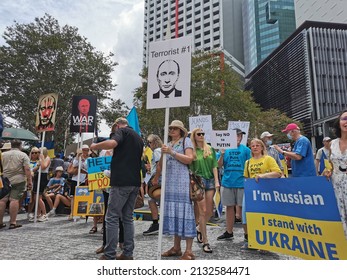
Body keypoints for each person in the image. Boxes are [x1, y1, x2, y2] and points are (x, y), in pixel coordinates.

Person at [90, 117, 143, 260]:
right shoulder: (138, 137)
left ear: (117, 126)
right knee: (127, 218)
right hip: (134, 182)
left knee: (112, 217)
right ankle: (128, 253)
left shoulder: (121, 131)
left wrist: (95, 146)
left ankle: (109, 254)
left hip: (121, 182)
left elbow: (112, 143)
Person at [152, 120, 196, 260]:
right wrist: (157, 176)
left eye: (175, 129)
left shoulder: (186, 141)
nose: (172, 130)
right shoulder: (168, 144)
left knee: (185, 213)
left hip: (181, 182)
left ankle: (189, 250)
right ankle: (176, 247)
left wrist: (172, 153)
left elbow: (189, 159)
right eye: (170, 128)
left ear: (181, 131)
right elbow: (161, 164)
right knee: (175, 213)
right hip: (169, 182)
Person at [242, 138, 281, 249]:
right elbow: (246, 176)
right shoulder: (248, 162)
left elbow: (278, 173)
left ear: (262, 147)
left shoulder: (268, 159)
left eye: (257, 145)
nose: (255, 147)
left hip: (265, 192)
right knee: (245, 216)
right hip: (250, 191)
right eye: (252, 146)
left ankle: (266, 243)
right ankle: (249, 239)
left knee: (263, 216)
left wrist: (263, 176)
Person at [217, 128, 251, 242]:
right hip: (227, 182)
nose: (238, 137)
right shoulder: (224, 149)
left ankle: (247, 234)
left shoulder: (246, 150)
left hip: (242, 182)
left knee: (243, 209)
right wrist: (221, 155)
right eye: (237, 135)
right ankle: (229, 232)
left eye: (240, 136)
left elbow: (250, 165)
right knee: (229, 208)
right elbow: (219, 165)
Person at [190, 128, 219, 254]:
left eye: (203, 133)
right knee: (203, 211)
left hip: (211, 180)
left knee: (210, 211)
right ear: (194, 136)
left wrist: (217, 181)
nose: (201, 135)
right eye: (199, 134)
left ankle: (199, 227)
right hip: (198, 181)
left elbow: (215, 166)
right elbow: (190, 168)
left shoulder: (210, 148)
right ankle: (206, 242)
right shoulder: (192, 151)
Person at [323, 110, 347, 239]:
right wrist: (329, 171)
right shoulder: (333, 143)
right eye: (344, 119)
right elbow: (331, 164)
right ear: (339, 123)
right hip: (336, 185)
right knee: (340, 218)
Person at [0, 140, 33, 229]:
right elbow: (27, 169)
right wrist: (30, 181)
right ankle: (13, 222)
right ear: (20, 146)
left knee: (2, 200)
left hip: (4, 180)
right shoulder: (23, 155)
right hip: (18, 180)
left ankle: (0, 222)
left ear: (11, 145)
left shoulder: (3, 154)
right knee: (14, 200)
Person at [143, 134, 163, 236]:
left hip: (158, 179)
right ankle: (156, 223)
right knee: (153, 201)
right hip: (159, 177)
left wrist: (156, 177)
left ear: (154, 142)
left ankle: (156, 224)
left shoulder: (157, 151)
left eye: (150, 142)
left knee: (153, 200)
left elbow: (160, 165)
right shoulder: (160, 151)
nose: (149, 145)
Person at [67, 144, 90, 220]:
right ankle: (72, 212)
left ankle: (82, 212)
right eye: (83, 150)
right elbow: (74, 164)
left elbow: (87, 167)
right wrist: (78, 156)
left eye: (86, 150)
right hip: (75, 178)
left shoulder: (89, 159)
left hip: (84, 179)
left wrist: (83, 163)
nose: (85, 151)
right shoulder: (77, 158)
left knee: (83, 196)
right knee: (73, 196)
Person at [31, 147, 51, 222]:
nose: (37, 154)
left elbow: (43, 167)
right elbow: (36, 168)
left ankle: (44, 214)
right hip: (38, 175)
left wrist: (41, 159)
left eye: (39, 152)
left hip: (43, 176)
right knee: (37, 196)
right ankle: (38, 213)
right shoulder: (40, 159)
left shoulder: (47, 158)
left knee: (38, 197)